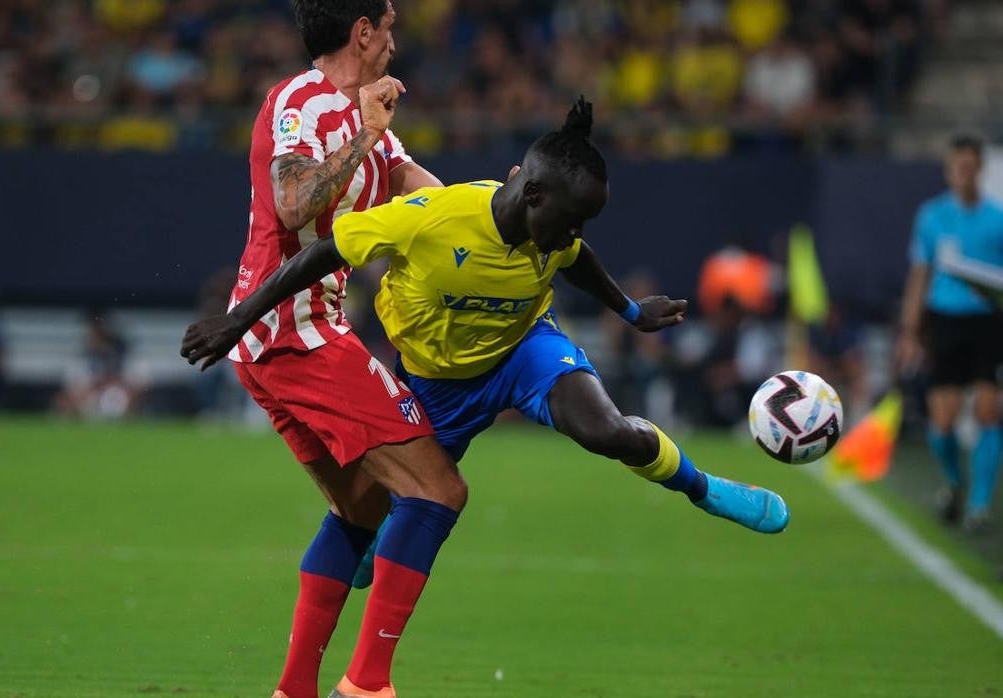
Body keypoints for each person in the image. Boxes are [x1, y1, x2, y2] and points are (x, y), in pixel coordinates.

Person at [183, 96, 791, 667]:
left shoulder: (556, 233)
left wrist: (630, 311)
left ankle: (702, 488)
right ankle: (312, 659)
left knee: (607, 430)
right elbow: (323, 253)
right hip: (433, 385)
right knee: (363, 514)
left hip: (524, 350)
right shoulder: (434, 217)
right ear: (530, 193)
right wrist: (238, 320)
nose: (575, 235)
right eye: (571, 219)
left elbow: (576, 260)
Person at [203, 2, 457, 697]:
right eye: (390, 27)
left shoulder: (369, 120)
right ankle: (367, 685)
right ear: (363, 32)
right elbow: (292, 204)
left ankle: (294, 690)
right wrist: (364, 136)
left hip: (301, 336)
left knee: (363, 509)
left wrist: (492, 225)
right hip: (293, 336)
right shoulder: (303, 102)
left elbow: (423, 194)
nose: (396, 43)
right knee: (437, 488)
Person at [898, 135, 1003, 532]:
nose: (963, 172)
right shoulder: (932, 217)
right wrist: (909, 331)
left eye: (970, 165)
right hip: (945, 320)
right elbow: (920, 275)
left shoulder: (998, 218)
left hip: (989, 321)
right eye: (956, 166)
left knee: (989, 410)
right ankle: (955, 484)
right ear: (948, 170)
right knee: (943, 421)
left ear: (980, 168)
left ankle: (979, 506)